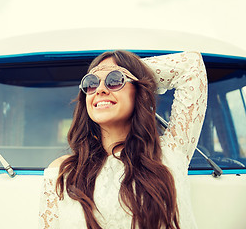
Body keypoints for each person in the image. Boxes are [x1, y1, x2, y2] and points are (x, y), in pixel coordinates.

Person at [39, 50, 208, 229]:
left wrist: (134, 70)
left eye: (114, 80)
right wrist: (113, 73)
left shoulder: (171, 151)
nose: (100, 89)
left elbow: (192, 65)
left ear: (139, 92)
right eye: (91, 83)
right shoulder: (62, 172)